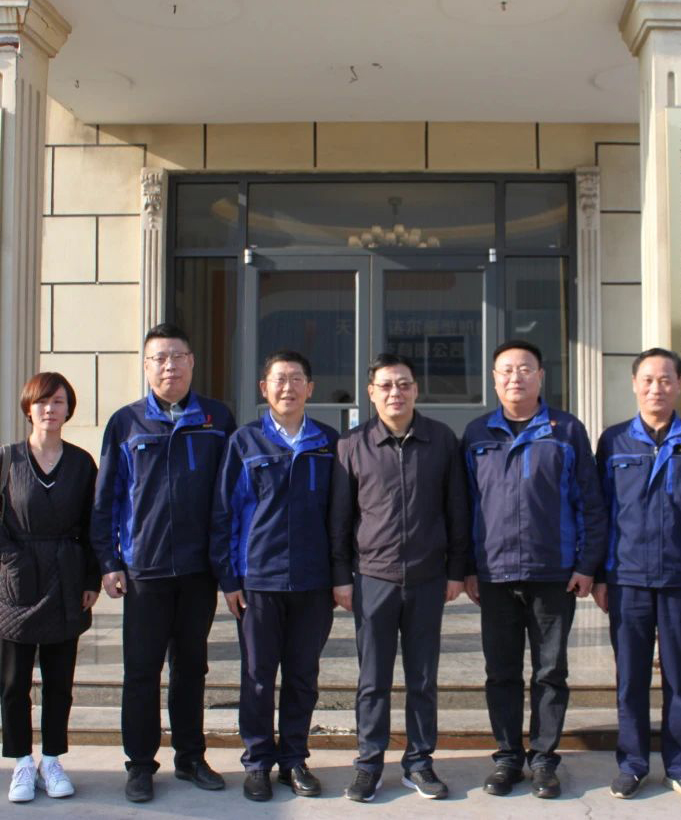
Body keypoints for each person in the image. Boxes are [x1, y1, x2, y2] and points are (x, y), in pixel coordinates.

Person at [90, 323, 236, 804]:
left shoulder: (217, 419)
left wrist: (228, 565)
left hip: (198, 570)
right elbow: (107, 498)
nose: (169, 366)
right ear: (146, 365)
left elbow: (232, 496)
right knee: (142, 671)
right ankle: (139, 764)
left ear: (192, 362)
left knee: (192, 668)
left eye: (177, 357)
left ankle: (191, 757)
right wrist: (109, 560)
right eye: (159, 358)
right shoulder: (126, 422)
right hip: (144, 570)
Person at [461, 339, 608, 799]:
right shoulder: (476, 434)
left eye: (525, 368)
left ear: (541, 376)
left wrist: (587, 564)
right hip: (495, 574)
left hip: (553, 572)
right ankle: (507, 757)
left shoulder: (566, 430)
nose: (515, 377)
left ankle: (544, 758)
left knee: (550, 672)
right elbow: (464, 507)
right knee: (501, 672)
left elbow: (589, 502)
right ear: (494, 379)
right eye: (506, 370)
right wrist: (467, 567)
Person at [329, 354, 471, 802]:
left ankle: (419, 762)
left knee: (422, 678)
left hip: (428, 578)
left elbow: (457, 510)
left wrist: (456, 571)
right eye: (386, 385)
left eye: (404, 384)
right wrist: (341, 577)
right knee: (373, 680)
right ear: (371, 392)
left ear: (416, 390)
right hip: (373, 579)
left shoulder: (441, 440)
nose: (396, 393)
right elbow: (340, 519)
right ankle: (369, 763)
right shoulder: (352, 445)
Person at [592, 348, 681, 804]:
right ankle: (632, 764)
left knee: (680, 678)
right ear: (634, 385)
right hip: (627, 579)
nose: (656, 388)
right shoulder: (613, 441)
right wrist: (600, 575)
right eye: (647, 380)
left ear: (679, 385)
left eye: (666, 379)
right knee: (630, 679)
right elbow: (600, 512)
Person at [0, 372, 99, 803]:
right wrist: (11, 553)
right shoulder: (6, 459)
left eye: (58, 402)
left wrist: (92, 579)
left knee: (59, 683)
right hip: (16, 583)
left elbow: (94, 526)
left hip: (66, 579)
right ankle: (21, 761)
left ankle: (52, 760)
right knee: (13, 682)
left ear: (68, 409)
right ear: (28, 408)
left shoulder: (81, 464)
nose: (49, 409)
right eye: (42, 402)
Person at [210, 350, 340, 802]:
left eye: (297, 379)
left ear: (310, 388)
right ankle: (258, 762)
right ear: (264, 388)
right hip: (258, 581)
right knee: (258, 676)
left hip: (313, 581)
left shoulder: (327, 442)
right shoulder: (244, 442)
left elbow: (340, 516)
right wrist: (229, 579)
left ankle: (294, 759)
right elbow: (224, 514)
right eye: (279, 380)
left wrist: (339, 575)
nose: (288, 388)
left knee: (303, 676)